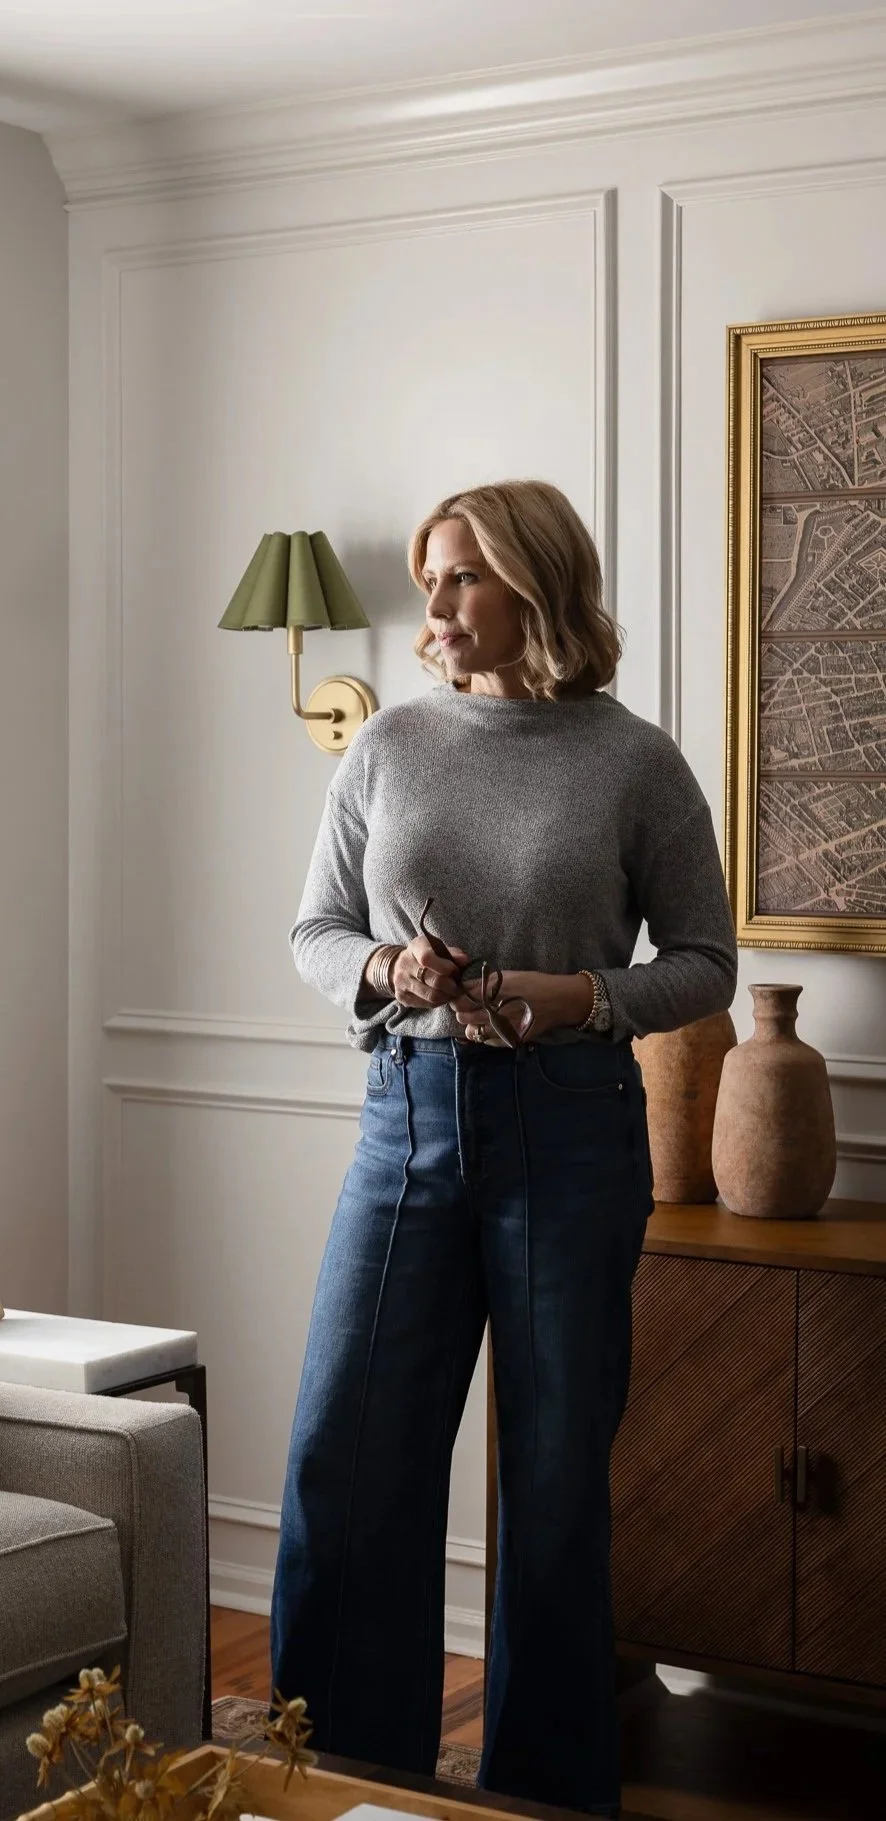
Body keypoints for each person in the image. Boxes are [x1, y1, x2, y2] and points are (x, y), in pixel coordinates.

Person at [270, 480, 737, 1819]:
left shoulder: (632, 761)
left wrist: (579, 996)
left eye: (458, 576)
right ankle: (343, 1785)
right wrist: (390, 964)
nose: (431, 608)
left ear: (533, 583)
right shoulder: (390, 746)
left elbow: (705, 962)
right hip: (403, 1124)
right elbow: (312, 933)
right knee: (344, 1462)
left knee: (549, 1483)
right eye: (426, 578)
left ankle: (537, 1795)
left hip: (572, 1135)